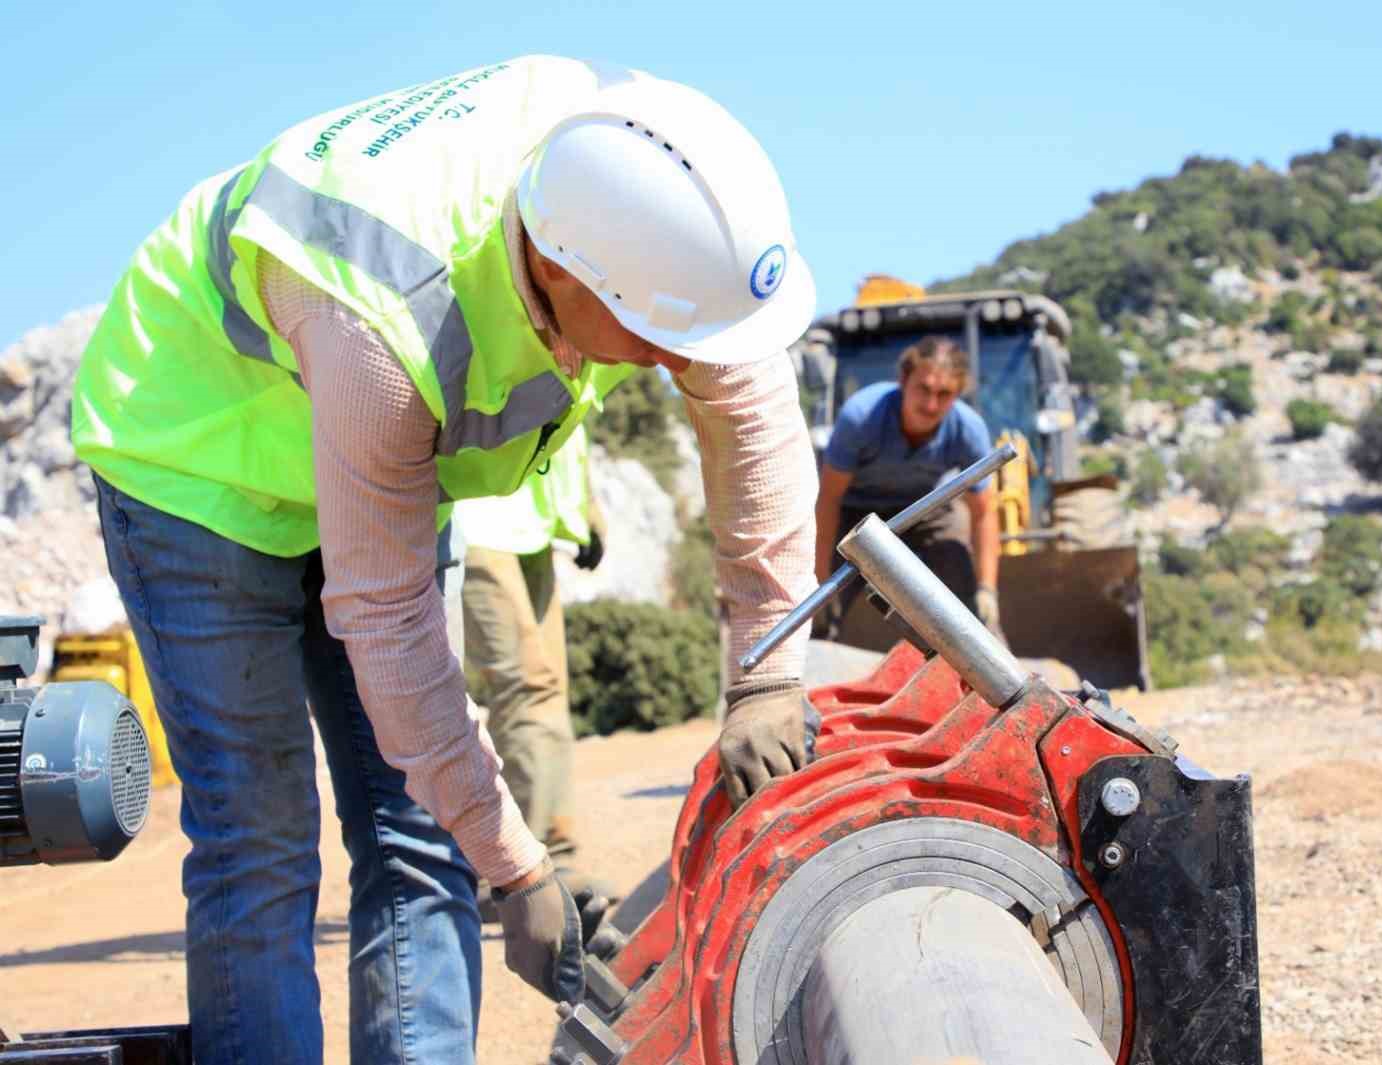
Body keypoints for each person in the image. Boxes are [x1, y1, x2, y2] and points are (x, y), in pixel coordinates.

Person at [71, 56, 819, 1065]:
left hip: (370, 447)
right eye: (658, 338)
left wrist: (767, 673)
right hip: (198, 461)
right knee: (261, 840)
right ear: (560, 272)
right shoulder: (391, 315)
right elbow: (386, 622)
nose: (678, 363)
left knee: (418, 830)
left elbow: (752, 419)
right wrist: (516, 869)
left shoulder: (643, 179)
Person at [453, 426, 607, 912]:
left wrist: (585, 503)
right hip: (471, 514)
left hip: (532, 521)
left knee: (548, 686)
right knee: (526, 684)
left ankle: (550, 856)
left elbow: (573, 411)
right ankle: (523, 869)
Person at [814, 336, 1002, 633]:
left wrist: (987, 589)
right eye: (923, 389)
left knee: (957, 560)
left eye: (944, 394)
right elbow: (828, 499)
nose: (930, 404)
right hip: (855, 515)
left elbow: (983, 511)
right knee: (824, 602)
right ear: (903, 380)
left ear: (957, 395)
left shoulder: (968, 430)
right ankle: (820, 637)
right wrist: (819, 579)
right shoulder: (861, 417)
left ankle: (990, 650)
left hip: (924, 509)